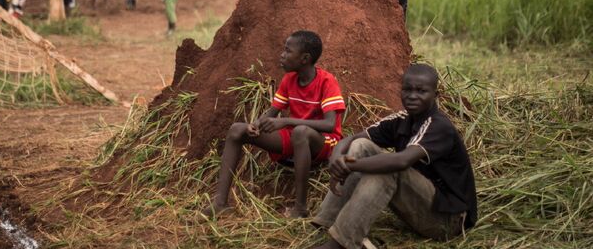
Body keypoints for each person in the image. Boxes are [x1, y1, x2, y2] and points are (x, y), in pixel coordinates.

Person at [310, 64, 477, 249]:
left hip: (447, 220)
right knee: (361, 146)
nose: (413, 96)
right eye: (407, 90)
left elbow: (401, 160)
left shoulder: (439, 126)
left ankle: (341, 243)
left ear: (436, 96)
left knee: (389, 169)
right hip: (422, 203)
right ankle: (325, 222)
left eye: (421, 91)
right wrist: (337, 158)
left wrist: (350, 165)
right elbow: (352, 139)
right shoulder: (402, 119)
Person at [203, 31, 346, 219]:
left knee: (301, 132)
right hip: (296, 136)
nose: (282, 55)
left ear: (305, 58)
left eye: (288, 51)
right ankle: (220, 203)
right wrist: (256, 124)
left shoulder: (327, 81)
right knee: (237, 129)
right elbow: (271, 112)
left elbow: (329, 125)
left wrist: (285, 121)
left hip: (325, 143)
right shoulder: (289, 79)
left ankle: (300, 208)